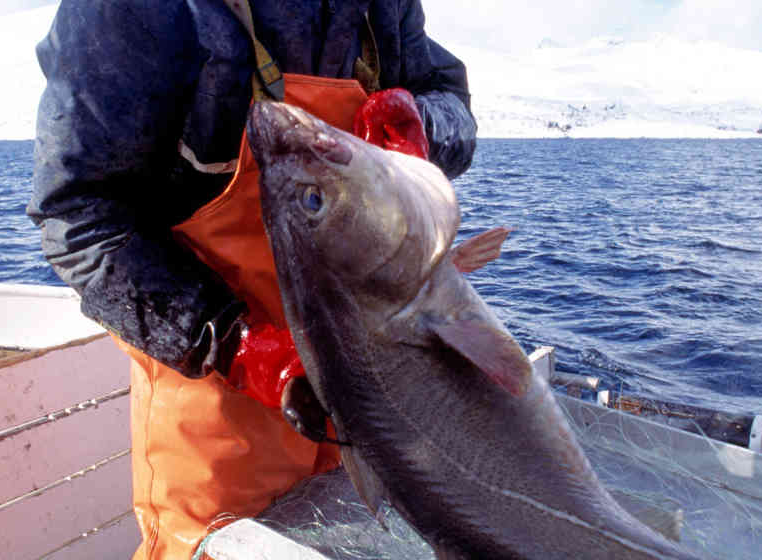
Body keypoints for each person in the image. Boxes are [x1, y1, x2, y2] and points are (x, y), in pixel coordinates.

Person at [28, 0, 477, 558]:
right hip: (219, 404)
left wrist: (422, 125)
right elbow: (79, 216)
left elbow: (452, 105)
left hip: (374, 379)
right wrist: (236, 345)